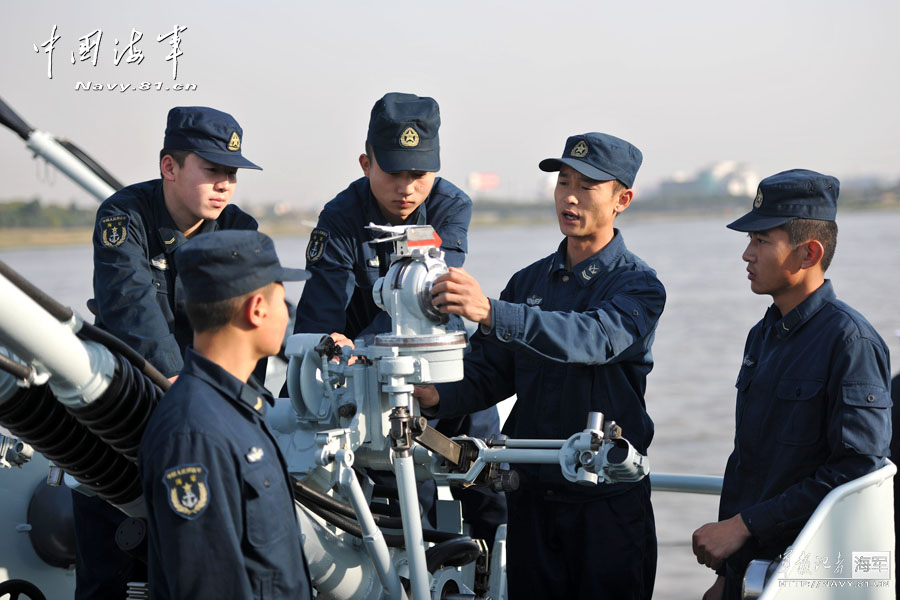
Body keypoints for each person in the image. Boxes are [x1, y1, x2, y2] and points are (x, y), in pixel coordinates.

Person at [416, 132, 664, 599]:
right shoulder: (527, 281)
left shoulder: (639, 287)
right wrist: (437, 395)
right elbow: (492, 373)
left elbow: (592, 337)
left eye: (587, 186)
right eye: (563, 181)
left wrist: (492, 312)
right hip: (531, 500)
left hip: (605, 506)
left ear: (622, 200)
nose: (569, 196)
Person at [292, 92, 505, 543]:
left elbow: (427, 288)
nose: (407, 187)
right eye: (393, 172)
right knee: (398, 493)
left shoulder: (451, 205)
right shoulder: (340, 219)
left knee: (487, 464)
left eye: (419, 174)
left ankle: (493, 560)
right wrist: (335, 348)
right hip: (367, 376)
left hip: (441, 360)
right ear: (366, 164)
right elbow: (320, 321)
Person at [78, 106, 262, 598]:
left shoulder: (242, 230)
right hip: (127, 405)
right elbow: (131, 306)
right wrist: (178, 384)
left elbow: (246, 331)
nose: (224, 184)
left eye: (231, 173)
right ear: (170, 167)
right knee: (107, 573)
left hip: (210, 416)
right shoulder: (124, 217)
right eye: (212, 170)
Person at [691, 169, 892, 600]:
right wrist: (727, 574)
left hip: (810, 573)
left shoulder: (849, 343)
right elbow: (746, 460)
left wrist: (744, 527)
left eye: (761, 241)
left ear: (808, 253)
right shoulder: (763, 334)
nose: (747, 254)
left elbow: (857, 471)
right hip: (750, 571)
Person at [139, 230, 313, 598]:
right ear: (257, 310)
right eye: (283, 299)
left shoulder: (234, 408)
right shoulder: (194, 434)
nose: (287, 313)